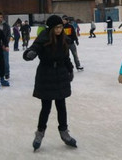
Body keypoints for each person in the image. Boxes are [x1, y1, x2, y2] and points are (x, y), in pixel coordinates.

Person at [23, 15, 77, 151]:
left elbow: (66, 57)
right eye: (57, 28)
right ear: (51, 28)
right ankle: (39, 133)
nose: (59, 30)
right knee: (46, 108)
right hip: (46, 75)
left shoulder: (64, 39)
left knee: (61, 106)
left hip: (60, 75)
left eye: (61, 27)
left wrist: (70, 70)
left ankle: (64, 132)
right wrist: (30, 53)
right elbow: (34, 48)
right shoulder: (43, 38)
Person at [0, 13, 11, 79]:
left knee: (5, 61)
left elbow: (8, 36)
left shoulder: (6, 26)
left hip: (4, 46)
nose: (0, 18)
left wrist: (5, 44)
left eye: (1, 17)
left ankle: (7, 73)